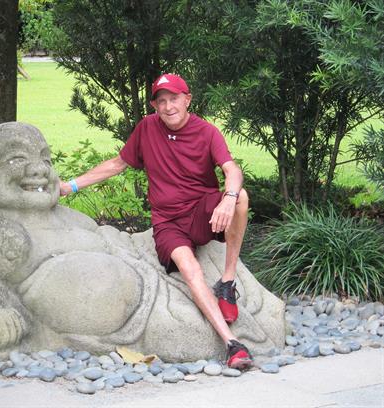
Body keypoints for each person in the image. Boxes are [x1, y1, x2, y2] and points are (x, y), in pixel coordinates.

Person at [60, 73, 253, 369]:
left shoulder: (206, 132)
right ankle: (232, 344)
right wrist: (70, 186)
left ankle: (227, 281)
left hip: (200, 211)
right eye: (161, 101)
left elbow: (232, 169)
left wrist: (228, 197)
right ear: (154, 106)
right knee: (189, 269)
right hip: (168, 222)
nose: (168, 106)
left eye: (174, 99)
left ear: (187, 100)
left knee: (241, 197)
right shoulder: (147, 128)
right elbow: (117, 164)